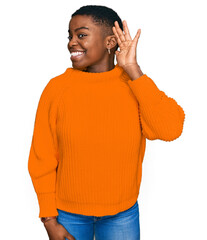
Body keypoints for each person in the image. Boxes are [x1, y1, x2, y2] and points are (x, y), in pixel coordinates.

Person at [28, 4, 185, 240]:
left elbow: (170, 129)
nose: (72, 42)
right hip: (68, 214)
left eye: (81, 35)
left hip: (122, 215)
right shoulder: (56, 89)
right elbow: (42, 157)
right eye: (70, 36)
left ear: (110, 42)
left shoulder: (133, 85)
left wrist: (133, 70)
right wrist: (49, 219)